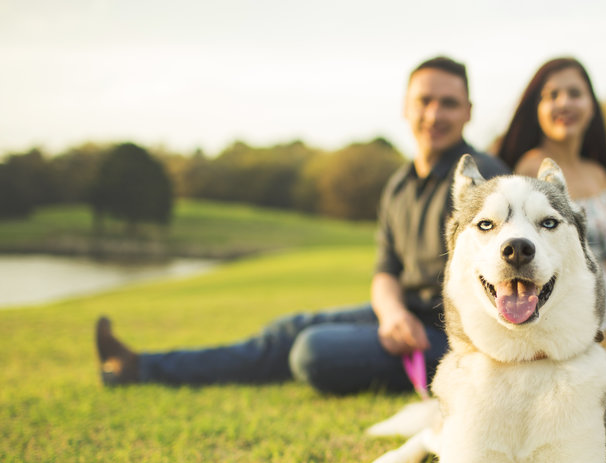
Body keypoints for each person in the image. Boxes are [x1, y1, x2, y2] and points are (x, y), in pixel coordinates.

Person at [96, 56, 508, 394]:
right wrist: (391, 314)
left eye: (449, 103)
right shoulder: (398, 185)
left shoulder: (484, 179)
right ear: (406, 107)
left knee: (310, 351)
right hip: (404, 315)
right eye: (425, 100)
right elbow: (385, 270)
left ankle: (145, 369)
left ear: (468, 112)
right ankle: (140, 367)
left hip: (448, 339)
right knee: (288, 329)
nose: (435, 113)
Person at [496, 57, 606, 329]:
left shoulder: (598, 174)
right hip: (569, 326)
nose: (564, 102)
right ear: (537, 109)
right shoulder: (529, 171)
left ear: (592, 106)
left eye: (575, 93)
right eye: (552, 95)